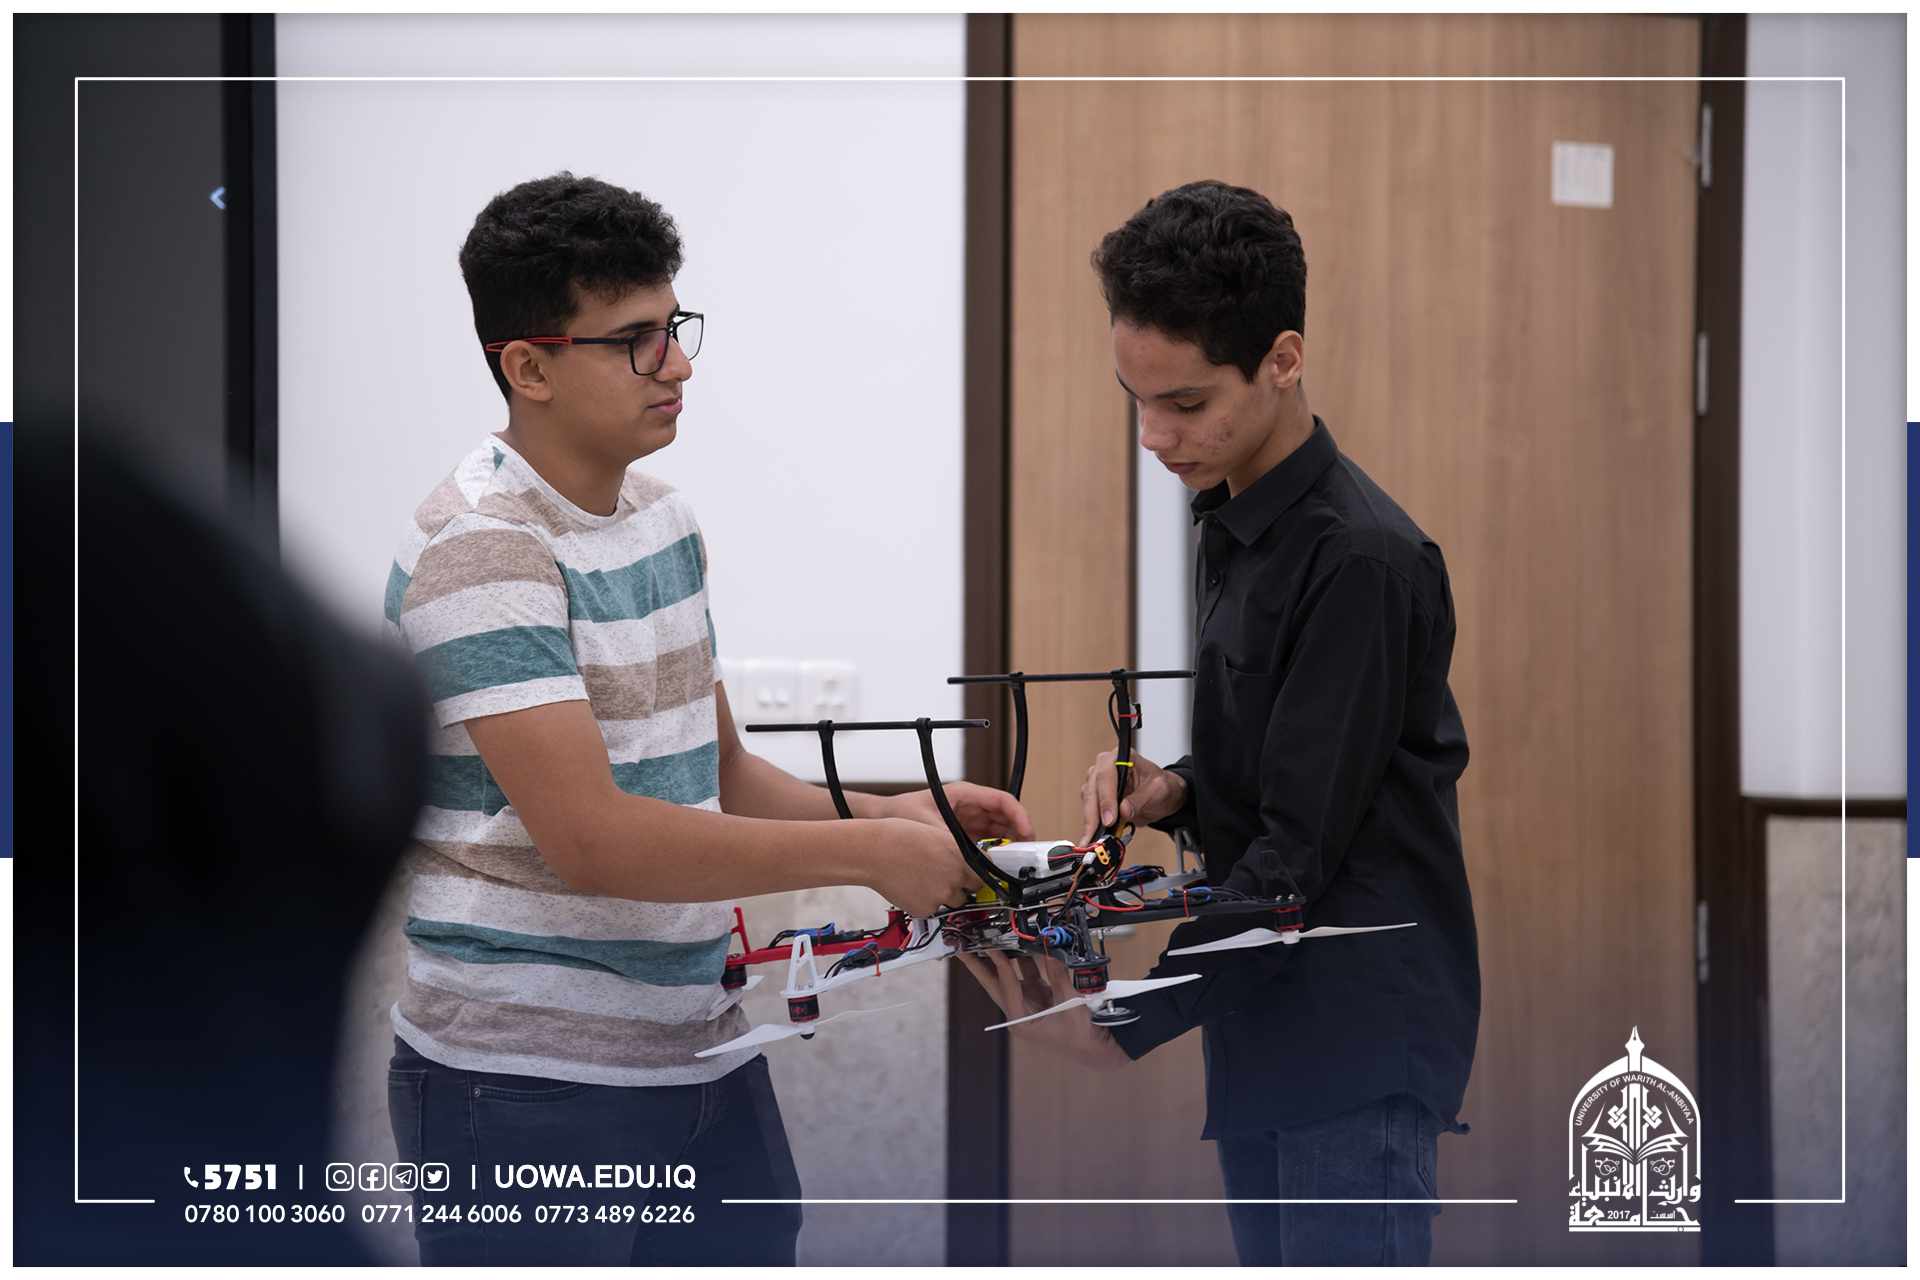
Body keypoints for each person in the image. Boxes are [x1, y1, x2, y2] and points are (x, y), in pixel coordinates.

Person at [384, 172, 1028, 1266]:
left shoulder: (661, 520)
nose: (677, 365)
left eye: (675, 328)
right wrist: (869, 853)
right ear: (529, 367)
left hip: (700, 1047)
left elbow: (718, 771)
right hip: (524, 1087)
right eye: (635, 341)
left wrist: (895, 811)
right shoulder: (482, 549)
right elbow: (593, 839)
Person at [961, 180, 1479, 1266]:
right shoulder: (1234, 520)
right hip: (1266, 1014)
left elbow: (1296, 853)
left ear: (1283, 359)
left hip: (1352, 1029)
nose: (1155, 435)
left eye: (1187, 403)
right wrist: (1177, 789)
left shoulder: (1362, 560)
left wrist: (1123, 1023)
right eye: (1136, 398)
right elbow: (1298, 758)